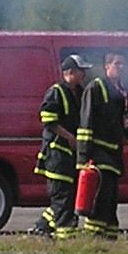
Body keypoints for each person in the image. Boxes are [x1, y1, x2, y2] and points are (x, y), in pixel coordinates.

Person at [75, 49, 128, 236]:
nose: (121, 67)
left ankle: (109, 235)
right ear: (106, 66)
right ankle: (94, 236)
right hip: (98, 152)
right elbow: (86, 122)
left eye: (123, 64)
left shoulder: (121, 92)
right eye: (117, 64)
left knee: (111, 198)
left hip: (114, 154)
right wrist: (84, 156)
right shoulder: (95, 88)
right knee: (102, 197)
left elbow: (127, 123)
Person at [35, 51, 87, 235]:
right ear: (70, 72)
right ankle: (66, 237)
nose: (85, 75)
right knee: (62, 197)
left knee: (68, 197)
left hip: (71, 156)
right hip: (57, 155)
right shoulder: (56, 92)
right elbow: (48, 120)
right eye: (82, 71)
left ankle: (41, 227)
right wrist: (69, 137)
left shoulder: (80, 92)